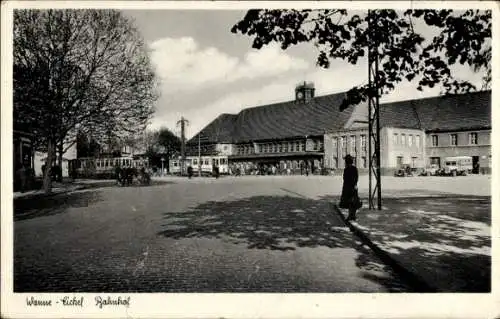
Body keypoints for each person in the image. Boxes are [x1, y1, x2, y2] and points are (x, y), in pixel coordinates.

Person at [339, 154, 361, 221]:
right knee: (353, 202)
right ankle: (353, 216)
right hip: (353, 187)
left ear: (347, 162)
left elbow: (344, 179)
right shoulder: (354, 169)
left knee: (350, 202)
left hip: (348, 188)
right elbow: (356, 178)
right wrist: (355, 185)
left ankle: (351, 216)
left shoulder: (346, 169)